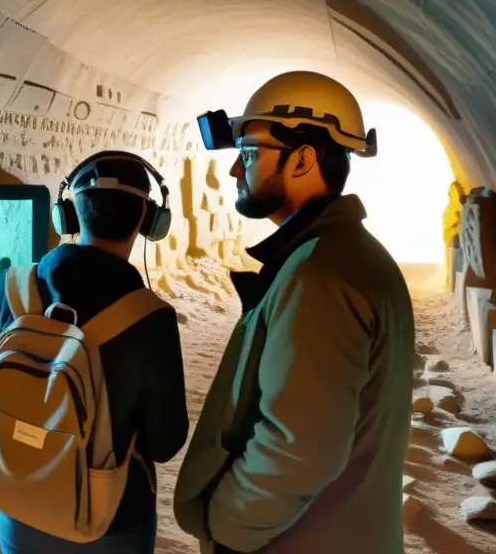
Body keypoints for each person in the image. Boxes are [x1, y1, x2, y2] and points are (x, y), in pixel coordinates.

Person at [173, 71, 415, 554]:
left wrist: (226, 529)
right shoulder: (341, 255)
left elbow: (298, 449)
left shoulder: (320, 275)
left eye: (249, 155)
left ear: (303, 159)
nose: (236, 173)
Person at [0, 150, 189, 554]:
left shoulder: (8, 287)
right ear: (148, 221)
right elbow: (164, 441)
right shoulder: (151, 318)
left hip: (14, 502)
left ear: (67, 214)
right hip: (109, 519)